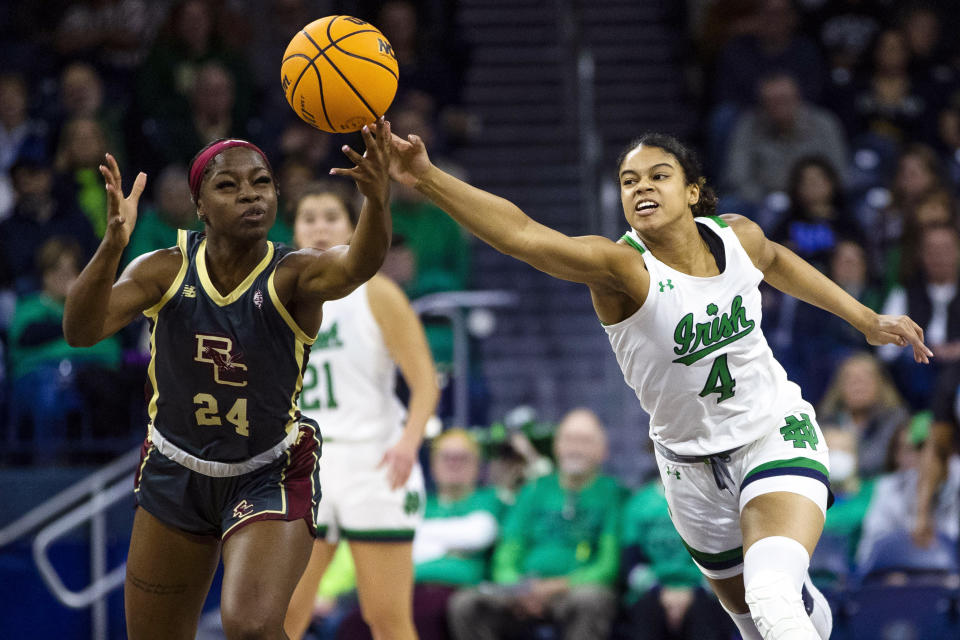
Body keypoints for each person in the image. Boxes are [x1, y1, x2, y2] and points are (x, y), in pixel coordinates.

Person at [375, 126, 933, 639]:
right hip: (689, 469)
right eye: (628, 181)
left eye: (658, 176)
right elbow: (522, 235)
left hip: (774, 434)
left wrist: (865, 318)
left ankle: (794, 599)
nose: (641, 188)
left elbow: (778, 261)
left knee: (769, 594)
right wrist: (426, 176)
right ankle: (806, 605)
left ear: (693, 191)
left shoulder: (738, 237)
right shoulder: (622, 269)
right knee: (756, 620)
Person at [61, 119, 394, 639]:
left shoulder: (295, 273)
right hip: (176, 466)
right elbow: (80, 330)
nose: (250, 195)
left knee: (251, 626)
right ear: (199, 205)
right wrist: (111, 245)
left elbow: (358, 264)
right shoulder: (163, 269)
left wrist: (375, 201)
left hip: (267, 469)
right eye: (228, 185)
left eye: (262, 182)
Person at [283, 181, 439, 640]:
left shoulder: (378, 292)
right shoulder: (278, 297)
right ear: (293, 228)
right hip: (305, 464)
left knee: (386, 618)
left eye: (330, 217)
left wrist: (409, 444)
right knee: (284, 614)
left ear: (352, 228)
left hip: (375, 462)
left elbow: (426, 382)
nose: (318, 227)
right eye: (308, 218)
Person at [448, 408, 622, 640]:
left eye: (585, 441)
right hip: (523, 587)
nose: (575, 448)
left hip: (574, 590)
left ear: (603, 451)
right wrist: (520, 587)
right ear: (556, 446)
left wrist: (558, 586)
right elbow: (507, 554)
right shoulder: (533, 491)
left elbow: (608, 566)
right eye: (568, 439)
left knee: (590, 600)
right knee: (467, 604)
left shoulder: (613, 495)